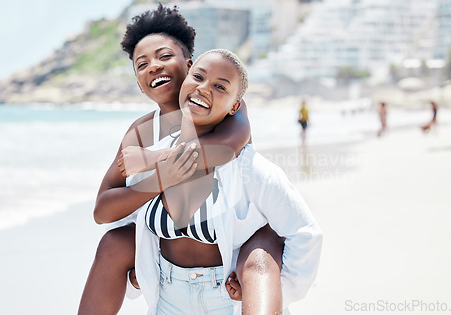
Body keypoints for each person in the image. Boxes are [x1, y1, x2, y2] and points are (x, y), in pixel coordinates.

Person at [78, 5, 287, 314]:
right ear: (138, 83)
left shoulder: (228, 112)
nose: (153, 67)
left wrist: (152, 159)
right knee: (113, 242)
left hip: (229, 277)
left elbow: (222, 150)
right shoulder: (141, 131)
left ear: (189, 65)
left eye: (164, 57)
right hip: (170, 280)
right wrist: (159, 180)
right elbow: (102, 210)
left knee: (263, 247)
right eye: (142, 64)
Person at [127, 48, 322, 314]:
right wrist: (139, 274)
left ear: (235, 106)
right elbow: (125, 222)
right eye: (198, 76)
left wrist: (280, 290)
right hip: (168, 299)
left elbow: (305, 234)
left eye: (220, 86)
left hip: (229, 301)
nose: (204, 88)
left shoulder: (250, 169)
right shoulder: (149, 159)